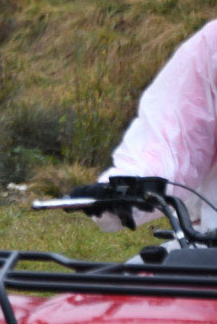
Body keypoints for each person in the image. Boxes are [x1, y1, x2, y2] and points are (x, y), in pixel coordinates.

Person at [77, 19, 217, 233]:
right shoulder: (212, 44)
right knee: (139, 267)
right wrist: (122, 191)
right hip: (211, 250)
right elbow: (175, 140)